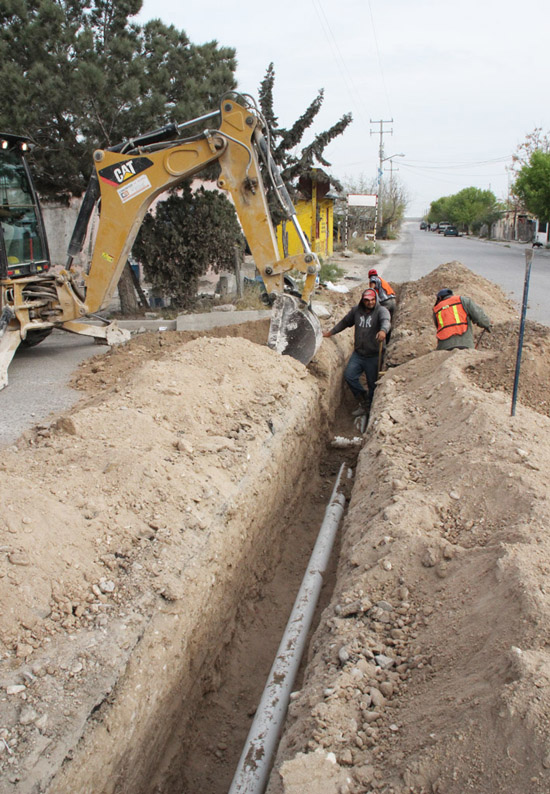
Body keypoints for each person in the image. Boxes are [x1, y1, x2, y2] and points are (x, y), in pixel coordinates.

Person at [323, 288, 391, 416]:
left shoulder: (381, 311)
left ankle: (370, 409)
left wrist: (383, 331)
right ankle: (363, 400)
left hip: (374, 355)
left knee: (373, 384)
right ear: (362, 300)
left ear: (376, 300)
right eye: (367, 300)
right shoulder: (356, 311)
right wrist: (330, 333)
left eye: (372, 300)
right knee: (349, 376)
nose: (370, 302)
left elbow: (386, 321)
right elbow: (344, 322)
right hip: (358, 354)